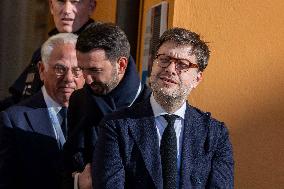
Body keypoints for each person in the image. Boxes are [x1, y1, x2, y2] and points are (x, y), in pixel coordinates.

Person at [93, 28, 234, 189]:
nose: (170, 69)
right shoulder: (117, 126)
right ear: (153, 64)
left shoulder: (215, 134)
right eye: (164, 59)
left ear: (197, 78)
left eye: (182, 64)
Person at [62, 22, 152, 189]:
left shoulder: (151, 109)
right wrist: (77, 183)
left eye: (94, 70)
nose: (87, 80)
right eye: (82, 70)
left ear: (121, 65)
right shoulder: (79, 101)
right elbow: (66, 166)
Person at [0, 33, 84, 189]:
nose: (69, 78)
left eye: (77, 70)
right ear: (42, 70)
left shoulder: (96, 116)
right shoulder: (14, 120)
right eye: (60, 68)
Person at [0, 0, 96, 111]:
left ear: (91, 6)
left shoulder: (99, 52)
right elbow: (21, 98)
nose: (66, 10)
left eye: (75, 2)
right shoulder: (46, 49)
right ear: (51, 6)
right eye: (60, 2)